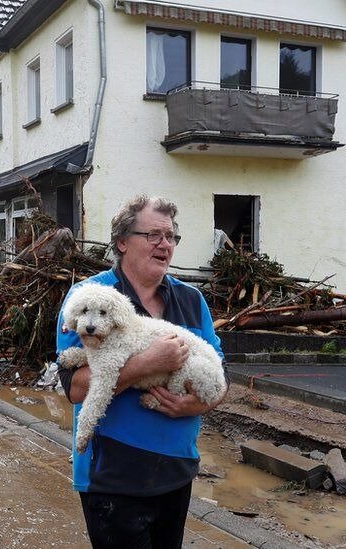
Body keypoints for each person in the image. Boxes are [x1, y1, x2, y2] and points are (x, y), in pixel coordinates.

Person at [56, 195, 226, 548]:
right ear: (122, 241)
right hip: (113, 477)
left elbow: (222, 377)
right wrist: (146, 365)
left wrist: (197, 405)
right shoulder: (90, 300)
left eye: (171, 236)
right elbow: (74, 388)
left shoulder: (192, 301)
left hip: (176, 472)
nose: (165, 244)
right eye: (153, 235)